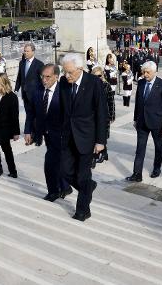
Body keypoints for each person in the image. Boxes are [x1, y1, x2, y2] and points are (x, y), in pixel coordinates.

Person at [59, 53, 108, 221]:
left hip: (87, 137)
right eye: (64, 72)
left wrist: (101, 141)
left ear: (80, 69)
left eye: (69, 72)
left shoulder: (94, 83)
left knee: (82, 175)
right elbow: (62, 110)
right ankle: (88, 187)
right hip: (67, 136)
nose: (66, 75)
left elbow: (102, 113)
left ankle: (82, 210)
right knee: (64, 171)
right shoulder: (64, 83)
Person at [24, 64, 71, 201]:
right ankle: (60, 189)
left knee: (53, 163)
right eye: (42, 76)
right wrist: (28, 131)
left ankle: (57, 190)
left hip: (61, 135)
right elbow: (31, 112)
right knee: (54, 162)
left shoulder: (64, 91)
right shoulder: (38, 90)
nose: (44, 80)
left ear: (56, 77)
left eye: (48, 77)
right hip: (45, 133)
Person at [127, 61, 162, 182]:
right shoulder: (140, 83)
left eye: (148, 72)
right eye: (144, 72)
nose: (145, 74)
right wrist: (135, 119)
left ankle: (157, 168)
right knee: (140, 148)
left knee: (158, 146)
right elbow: (138, 103)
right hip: (142, 122)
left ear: (155, 72)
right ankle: (137, 174)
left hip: (157, 122)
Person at [0, 73, 20, 178]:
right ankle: (13, 171)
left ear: (4, 82)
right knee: (6, 149)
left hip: (7, 129)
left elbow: (15, 116)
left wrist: (16, 133)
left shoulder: (12, 97)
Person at [14, 42, 44, 144]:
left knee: (35, 117)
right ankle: (31, 136)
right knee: (29, 115)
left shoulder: (39, 64)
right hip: (25, 95)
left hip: (36, 96)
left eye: (27, 51)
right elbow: (19, 77)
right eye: (24, 51)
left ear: (33, 51)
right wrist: (16, 89)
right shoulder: (22, 63)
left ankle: (36, 137)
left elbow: (43, 81)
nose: (25, 53)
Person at [91, 65, 114, 163]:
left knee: (102, 135)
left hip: (104, 115)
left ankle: (96, 157)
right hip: (92, 115)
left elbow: (111, 101)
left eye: (99, 76)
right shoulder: (89, 86)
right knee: (93, 136)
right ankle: (103, 154)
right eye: (95, 76)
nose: (97, 78)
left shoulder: (106, 85)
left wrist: (112, 116)